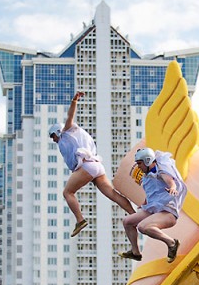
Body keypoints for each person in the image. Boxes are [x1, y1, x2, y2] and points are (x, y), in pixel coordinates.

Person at [49, 91, 135, 236]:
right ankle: (134, 214)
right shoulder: (66, 140)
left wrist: (74, 101)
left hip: (87, 166)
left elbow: (70, 116)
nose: (53, 139)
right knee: (112, 194)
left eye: (52, 136)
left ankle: (80, 220)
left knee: (67, 192)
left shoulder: (66, 131)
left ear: (57, 131)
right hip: (96, 166)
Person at [118, 148, 186, 263]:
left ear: (148, 160)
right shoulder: (147, 176)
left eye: (139, 163)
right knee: (127, 222)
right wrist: (144, 203)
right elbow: (152, 193)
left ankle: (172, 243)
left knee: (143, 227)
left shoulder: (161, 170)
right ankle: (135, 253)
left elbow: (171, 182)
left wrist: (172, 189)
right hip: (155, 210)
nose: (138, 167)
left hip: (168, 213)